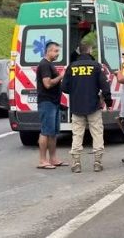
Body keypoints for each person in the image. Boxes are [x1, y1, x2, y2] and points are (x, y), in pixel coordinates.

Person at [61, 43, 113, 173]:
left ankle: (76, 163)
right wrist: (108, 102)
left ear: (79, 52)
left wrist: (76, 91)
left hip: (77, 106)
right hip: (93, 105)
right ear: (89, 51)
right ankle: (97, 162)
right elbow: (105, 86)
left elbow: (64, 88)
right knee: (97, 133)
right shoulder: (96, 66)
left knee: (77, 134)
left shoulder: (71, 67)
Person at [36, 41, 65, 169]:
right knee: (45, 132)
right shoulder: (44, 65)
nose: (57, 54)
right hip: (47, 102)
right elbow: (47, 84)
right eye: (56, 51)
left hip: (54, 102)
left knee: (53, 132)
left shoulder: (50, 65)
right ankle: (43, 160)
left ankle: (53, 159)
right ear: (49, 51)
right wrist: (61, 76)